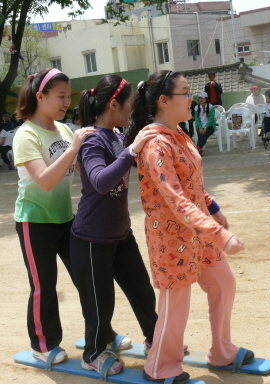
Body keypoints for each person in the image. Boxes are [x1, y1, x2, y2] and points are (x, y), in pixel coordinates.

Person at [127, 70, 253, 384]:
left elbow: (192, 185)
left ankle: (222, 350)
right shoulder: (156, 145)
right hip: (172, 237)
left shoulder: (180, 134)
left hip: (200, 230)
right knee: (176, 303)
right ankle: (160, 367)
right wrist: (219, 234)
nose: (192, 99)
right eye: (185, 92)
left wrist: (214, 208)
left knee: (223, 283)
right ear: (164, 101)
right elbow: (174, 197)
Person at [70, 75, 158, 376]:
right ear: (112, 103)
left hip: (120, 234)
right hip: (92, 238)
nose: (130, 110)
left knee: (142, 292)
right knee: (100, 305)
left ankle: (155, 339)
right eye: (128, 104)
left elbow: (133, 161)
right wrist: (130, 151)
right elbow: (100, 180)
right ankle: (93, 353)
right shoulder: (93, 139)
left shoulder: (116, 134)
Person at [12, 67, 95, 366]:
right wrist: (73, 147)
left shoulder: (63, 130)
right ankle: (43, 344)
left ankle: (100, 333)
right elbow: (44, 180)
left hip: (65, 218)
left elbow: (80, 170)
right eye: (60, 96)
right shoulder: (26, 134)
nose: (65, 103)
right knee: (43, 284)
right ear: (40, 96)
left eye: (67, 97)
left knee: (86, 276)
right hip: (34, 221)